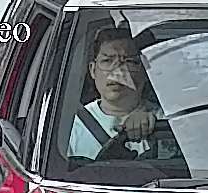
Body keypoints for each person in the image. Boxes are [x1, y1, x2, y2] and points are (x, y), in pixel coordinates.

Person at [68, 26, 178, 164]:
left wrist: (155, 125)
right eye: (107, 61)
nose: (117, 71)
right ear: (93, 70)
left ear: (145, 71)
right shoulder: (71, 127)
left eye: (129, 61)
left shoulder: (170, 122)